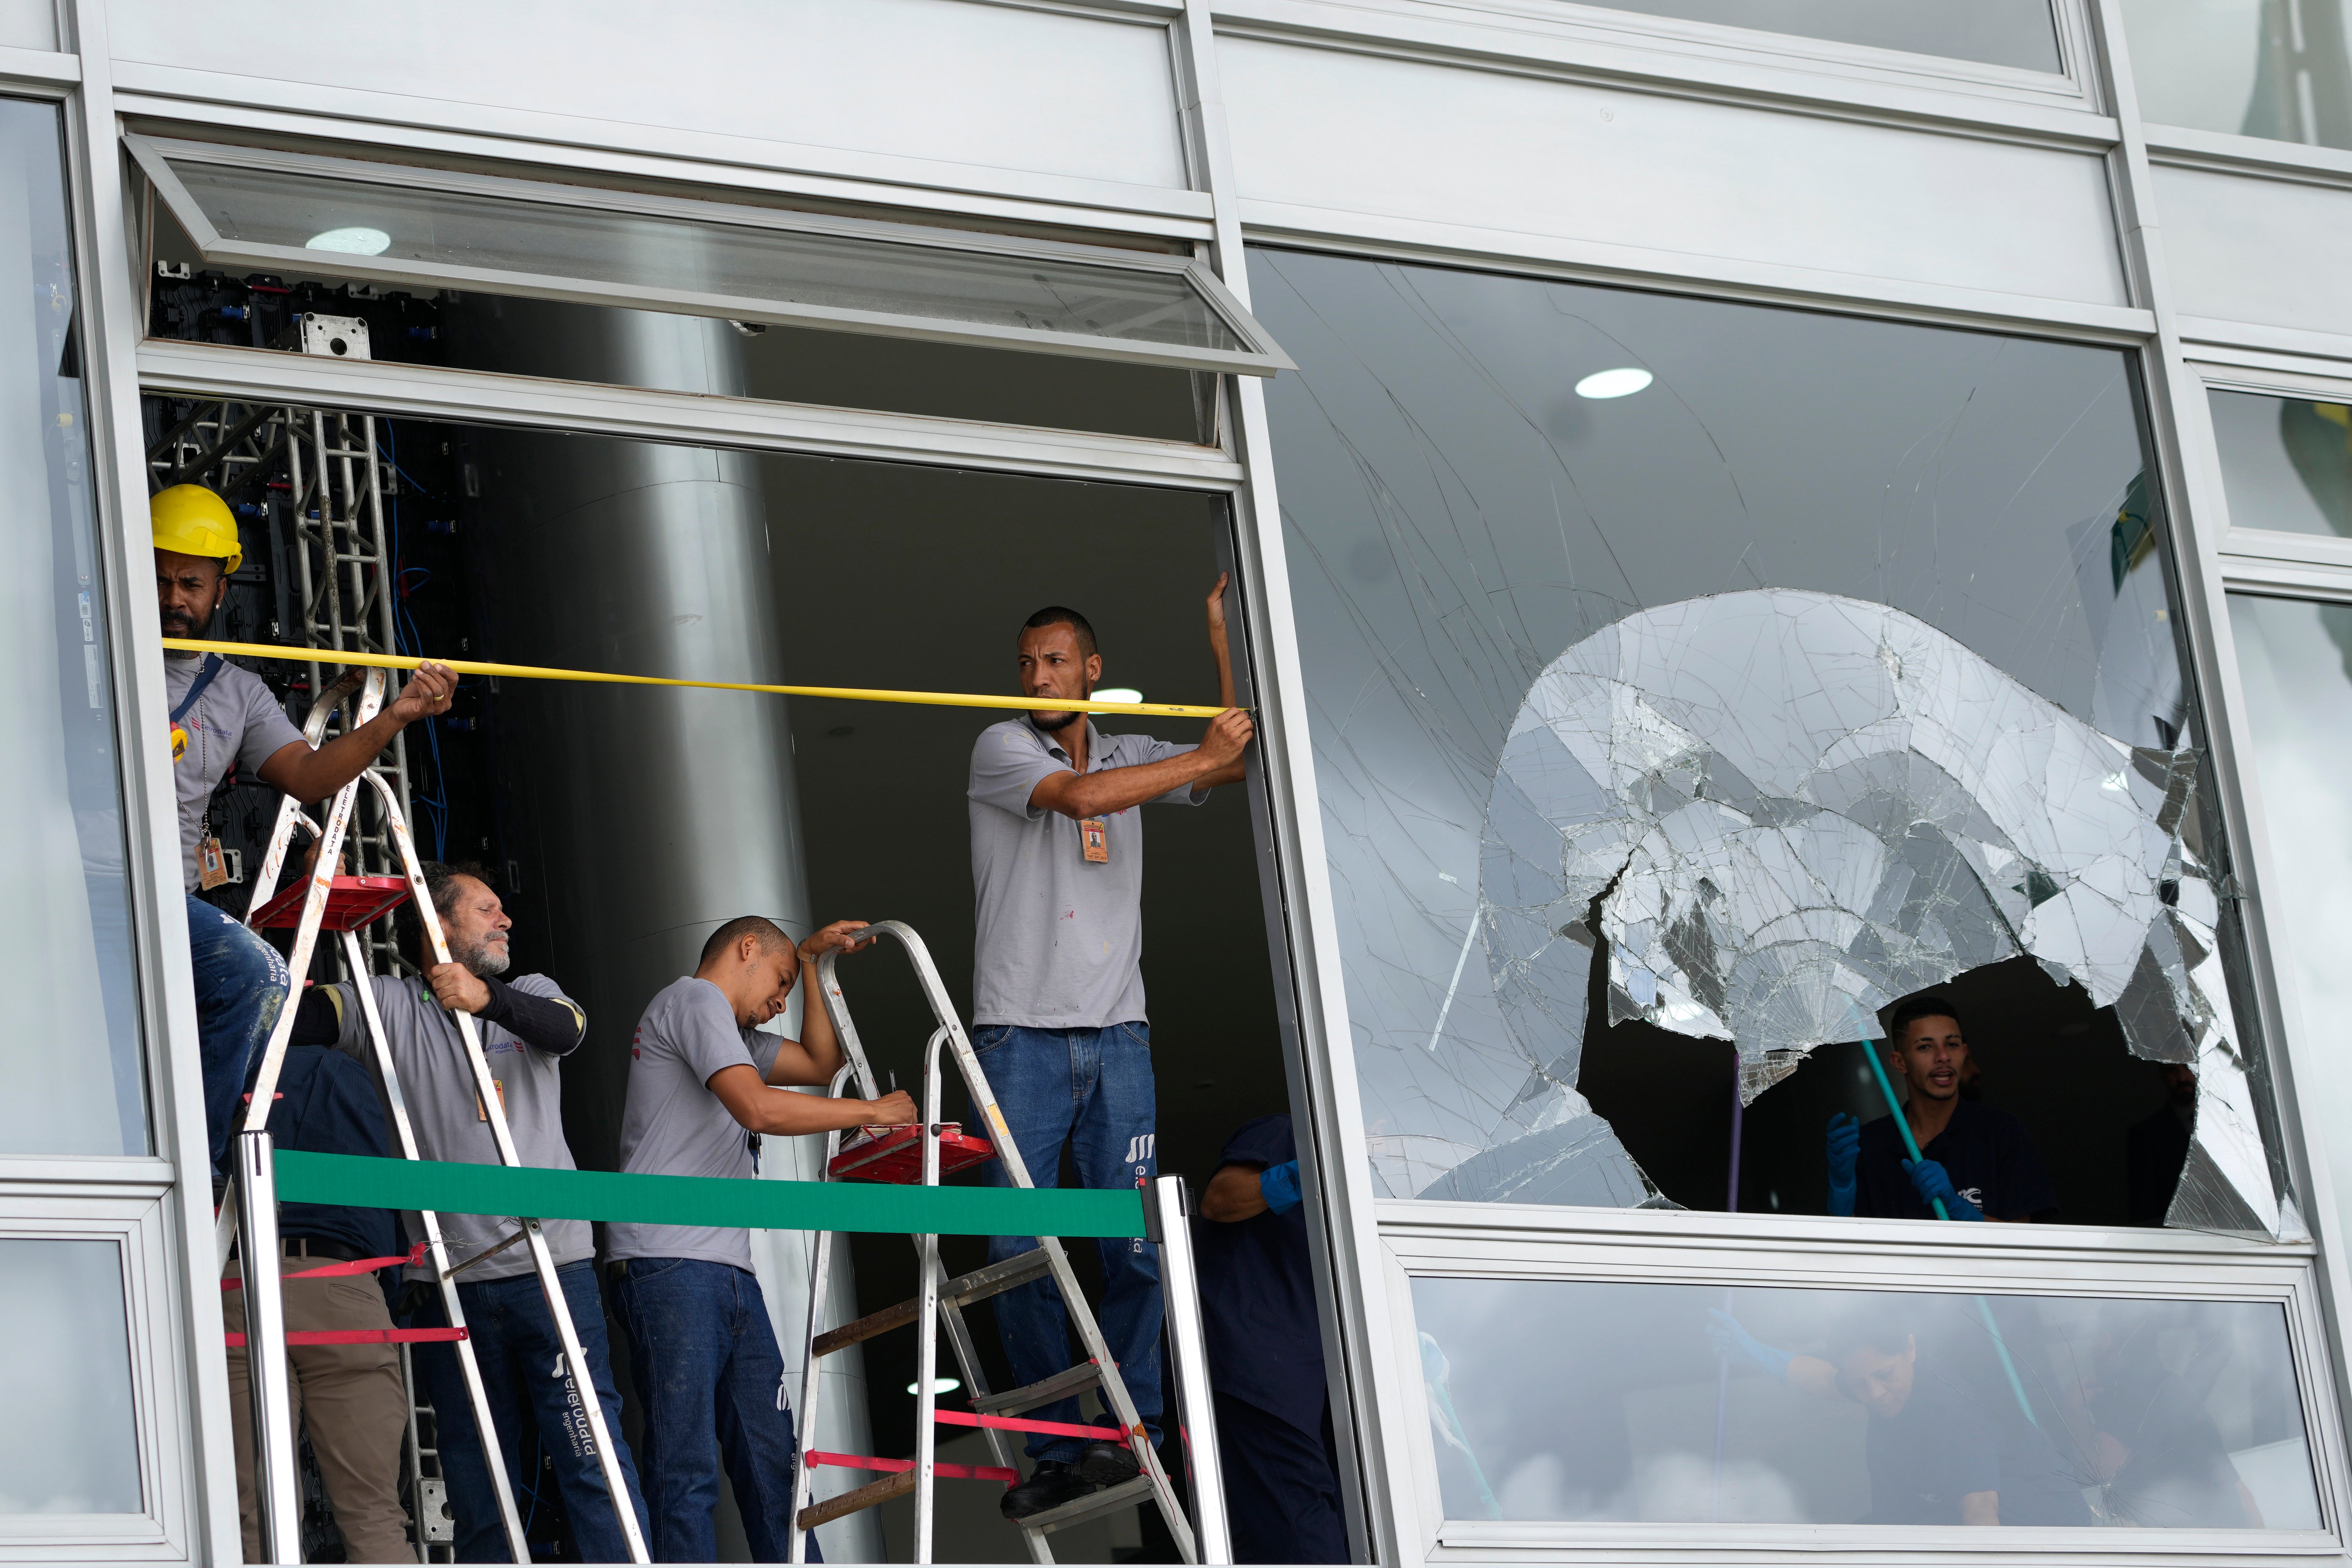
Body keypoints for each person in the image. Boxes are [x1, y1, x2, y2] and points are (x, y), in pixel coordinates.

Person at [968, 580, 1253, 1520]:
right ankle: (1060, 1448)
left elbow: (1240, 762)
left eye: (1054, 660)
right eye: (1025, 662)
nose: (1036, 675)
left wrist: (1221, 641)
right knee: (1021, 1247)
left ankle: (1142, 1426)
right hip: (1021, 1036)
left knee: (1135, 1247)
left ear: (1093, 671)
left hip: (1120, 1033)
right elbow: (1084, 794)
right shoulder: (1004, 745)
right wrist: (1197, 762)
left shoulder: (1133, 748)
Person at [286, 860, 648, 1563]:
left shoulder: (531, 992)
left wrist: (485, 998)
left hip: (553, 1267)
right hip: (447, 1281)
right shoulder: (386, 1001)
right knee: (477, 1478)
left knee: (589, 1453)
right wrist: (307, 916)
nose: (505, 919)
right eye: (487, 908)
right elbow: (299, 1016)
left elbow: (570, 1028)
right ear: (438, 923)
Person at [155, 482, 455, 1176]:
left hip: (165, 896)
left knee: (260, 982)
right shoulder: (97, 648)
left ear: (223, 588)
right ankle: (192, 1160)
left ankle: (192, 1160)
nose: (176, 599)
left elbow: (312, 776)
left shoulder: (237, 692)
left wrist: (395, 716)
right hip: (82, 878)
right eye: (162, 578)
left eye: (191, 584)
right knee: (247, 978)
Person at [606, 915, 916, 1563]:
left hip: (723, 1266)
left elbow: (818, 1062)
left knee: (772, 1466)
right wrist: (871, 1112)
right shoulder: (694, 1001)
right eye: (777, 982)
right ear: (745, 949)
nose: (781, 1003)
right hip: (669, 1260)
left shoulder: (732, 1029)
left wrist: (807, 963)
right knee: (685, 1466)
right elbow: (760, 1109)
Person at [223, 1042, 413, 1562]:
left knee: (255, 1517)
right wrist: (380, 1290)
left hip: (237, 1284)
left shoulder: (215, 1066)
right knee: (372, 1514)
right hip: (339, 1278)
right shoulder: (341, 1072)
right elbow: (384, 1195)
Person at [1709, 1306, 2091, 1527]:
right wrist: (1756, 1353)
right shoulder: (1878, 1381)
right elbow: (1826, 1379)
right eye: (1860, 1384)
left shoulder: (1951, 1413)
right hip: (1940, 1517)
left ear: (1910, 1347)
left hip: (2034, 1532)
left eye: (1883, 1376)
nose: (1875, 1395)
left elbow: (1981, 1513)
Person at [1195, 1114, 1345, 1564]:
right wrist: (1318, 1165)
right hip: (1262, 1365)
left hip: (1330, 1377)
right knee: (1303, 1530)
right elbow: (1219, 1200)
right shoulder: (1298, 1131)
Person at [1825, 997, 2058, 1223]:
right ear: (1900, 1063)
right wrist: (1842, 1194)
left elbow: (2025, 1243)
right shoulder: (1869, 1145)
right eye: (1925, 1047)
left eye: (1952, 1044)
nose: (1943, 1057)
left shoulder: (2001, 1133)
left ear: (1964, 1053)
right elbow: (1845, 1251)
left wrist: (1961, 1211)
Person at [2128, 1062, 2197, 1227]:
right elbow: (2144, 1206)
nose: (2182, 1078)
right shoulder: (2145, 1135)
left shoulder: (2229, 1128)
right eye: (2172, 1070)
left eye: (2188, 1067)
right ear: (2162, 1076)